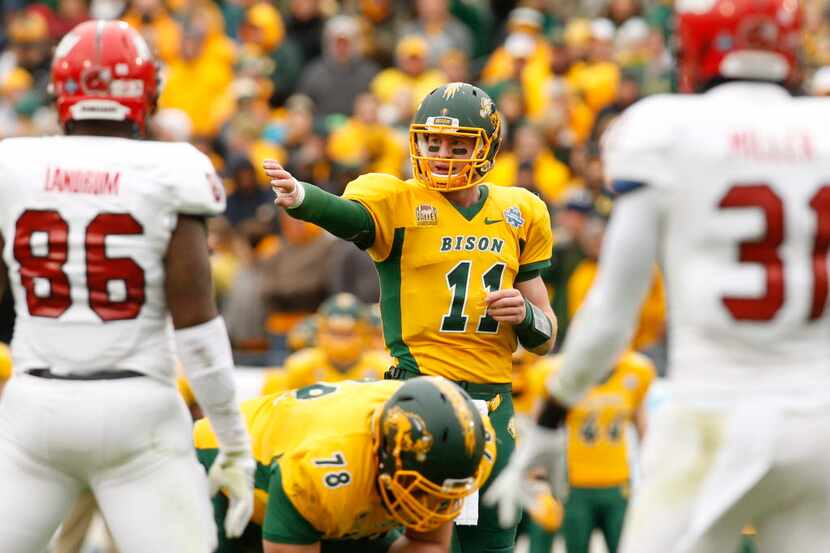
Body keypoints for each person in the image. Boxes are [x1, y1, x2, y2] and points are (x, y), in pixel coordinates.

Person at [486, 1, 830, 553]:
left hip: (712, 415)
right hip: (819, 421)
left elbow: (610, 315)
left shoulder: (666, 127)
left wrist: (553, 416)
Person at [265, 81, 556, 553]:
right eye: (433, 141)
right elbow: (349, 217)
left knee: (494, 545)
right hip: (421, 399)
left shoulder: (520, 211)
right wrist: (304, 200)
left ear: (488, 146)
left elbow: (546, 337)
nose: (442, 154)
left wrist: (525, 315)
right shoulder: (397, 199)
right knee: (426, 544)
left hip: (495, 406)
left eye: (458, 144)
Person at [0, 20, 254, 553]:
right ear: (148, 91)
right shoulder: (172, 167)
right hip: (138, 410)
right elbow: (198, 330)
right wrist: (233, 442)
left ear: (60, 91)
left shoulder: (12, 164)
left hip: (36, 405)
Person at [194, 376, 497, 552]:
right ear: (385, 456)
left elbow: (428, 544)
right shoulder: (324, 471)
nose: (433, 507)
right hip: (221, 469)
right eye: (422, 491)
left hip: (344, 485)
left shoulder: (469, 440)